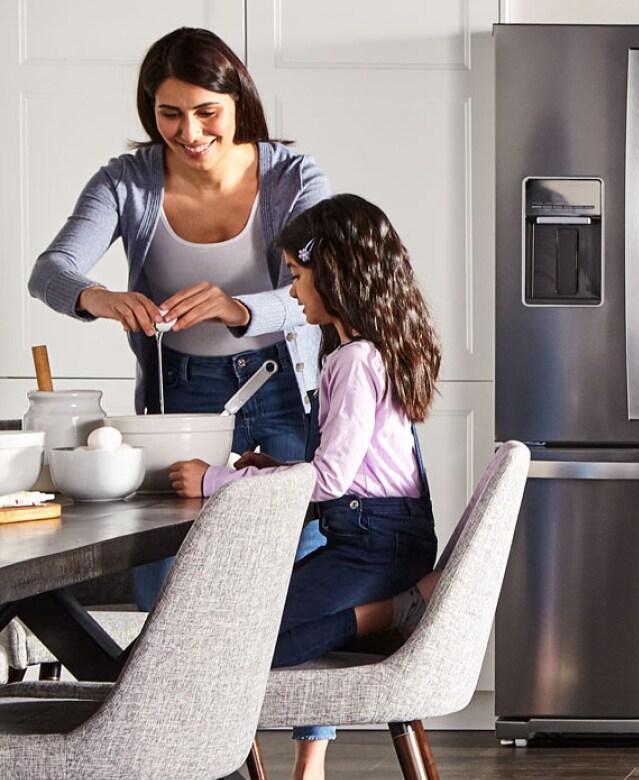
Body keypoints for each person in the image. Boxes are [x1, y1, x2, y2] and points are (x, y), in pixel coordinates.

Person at [27, 27, 331, 609]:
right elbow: (51, 270)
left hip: (283, 386)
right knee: (169, 571)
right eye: (170, 114)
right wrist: (100, 298)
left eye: (206, 112)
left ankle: (281, 695)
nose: (189, 134)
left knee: (297, 555)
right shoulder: (127, 180)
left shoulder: (293, 176)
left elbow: (327, 284)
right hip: (180, 394)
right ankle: (162, 697)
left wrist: (238, 307)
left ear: (239, 100)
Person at [169, 194, 443, 780]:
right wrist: (267, 467)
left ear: (336, 272)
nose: (292, 292)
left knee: (245, 643)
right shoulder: (377, 351)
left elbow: (332, 480)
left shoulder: (352, 360)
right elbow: (351, 468)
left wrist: (219, 480)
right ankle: (386, 609)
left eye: (297, 275)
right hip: (389, 537)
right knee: (250, 625)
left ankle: (390, 611)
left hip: (374, 544)